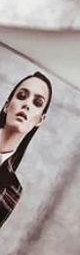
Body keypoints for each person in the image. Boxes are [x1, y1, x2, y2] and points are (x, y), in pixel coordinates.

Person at [0, 71, 53, 230]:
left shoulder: (12, 189)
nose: (27, 105)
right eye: (22, 96)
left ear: (40, 120)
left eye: (37, 103)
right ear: (7, 105)